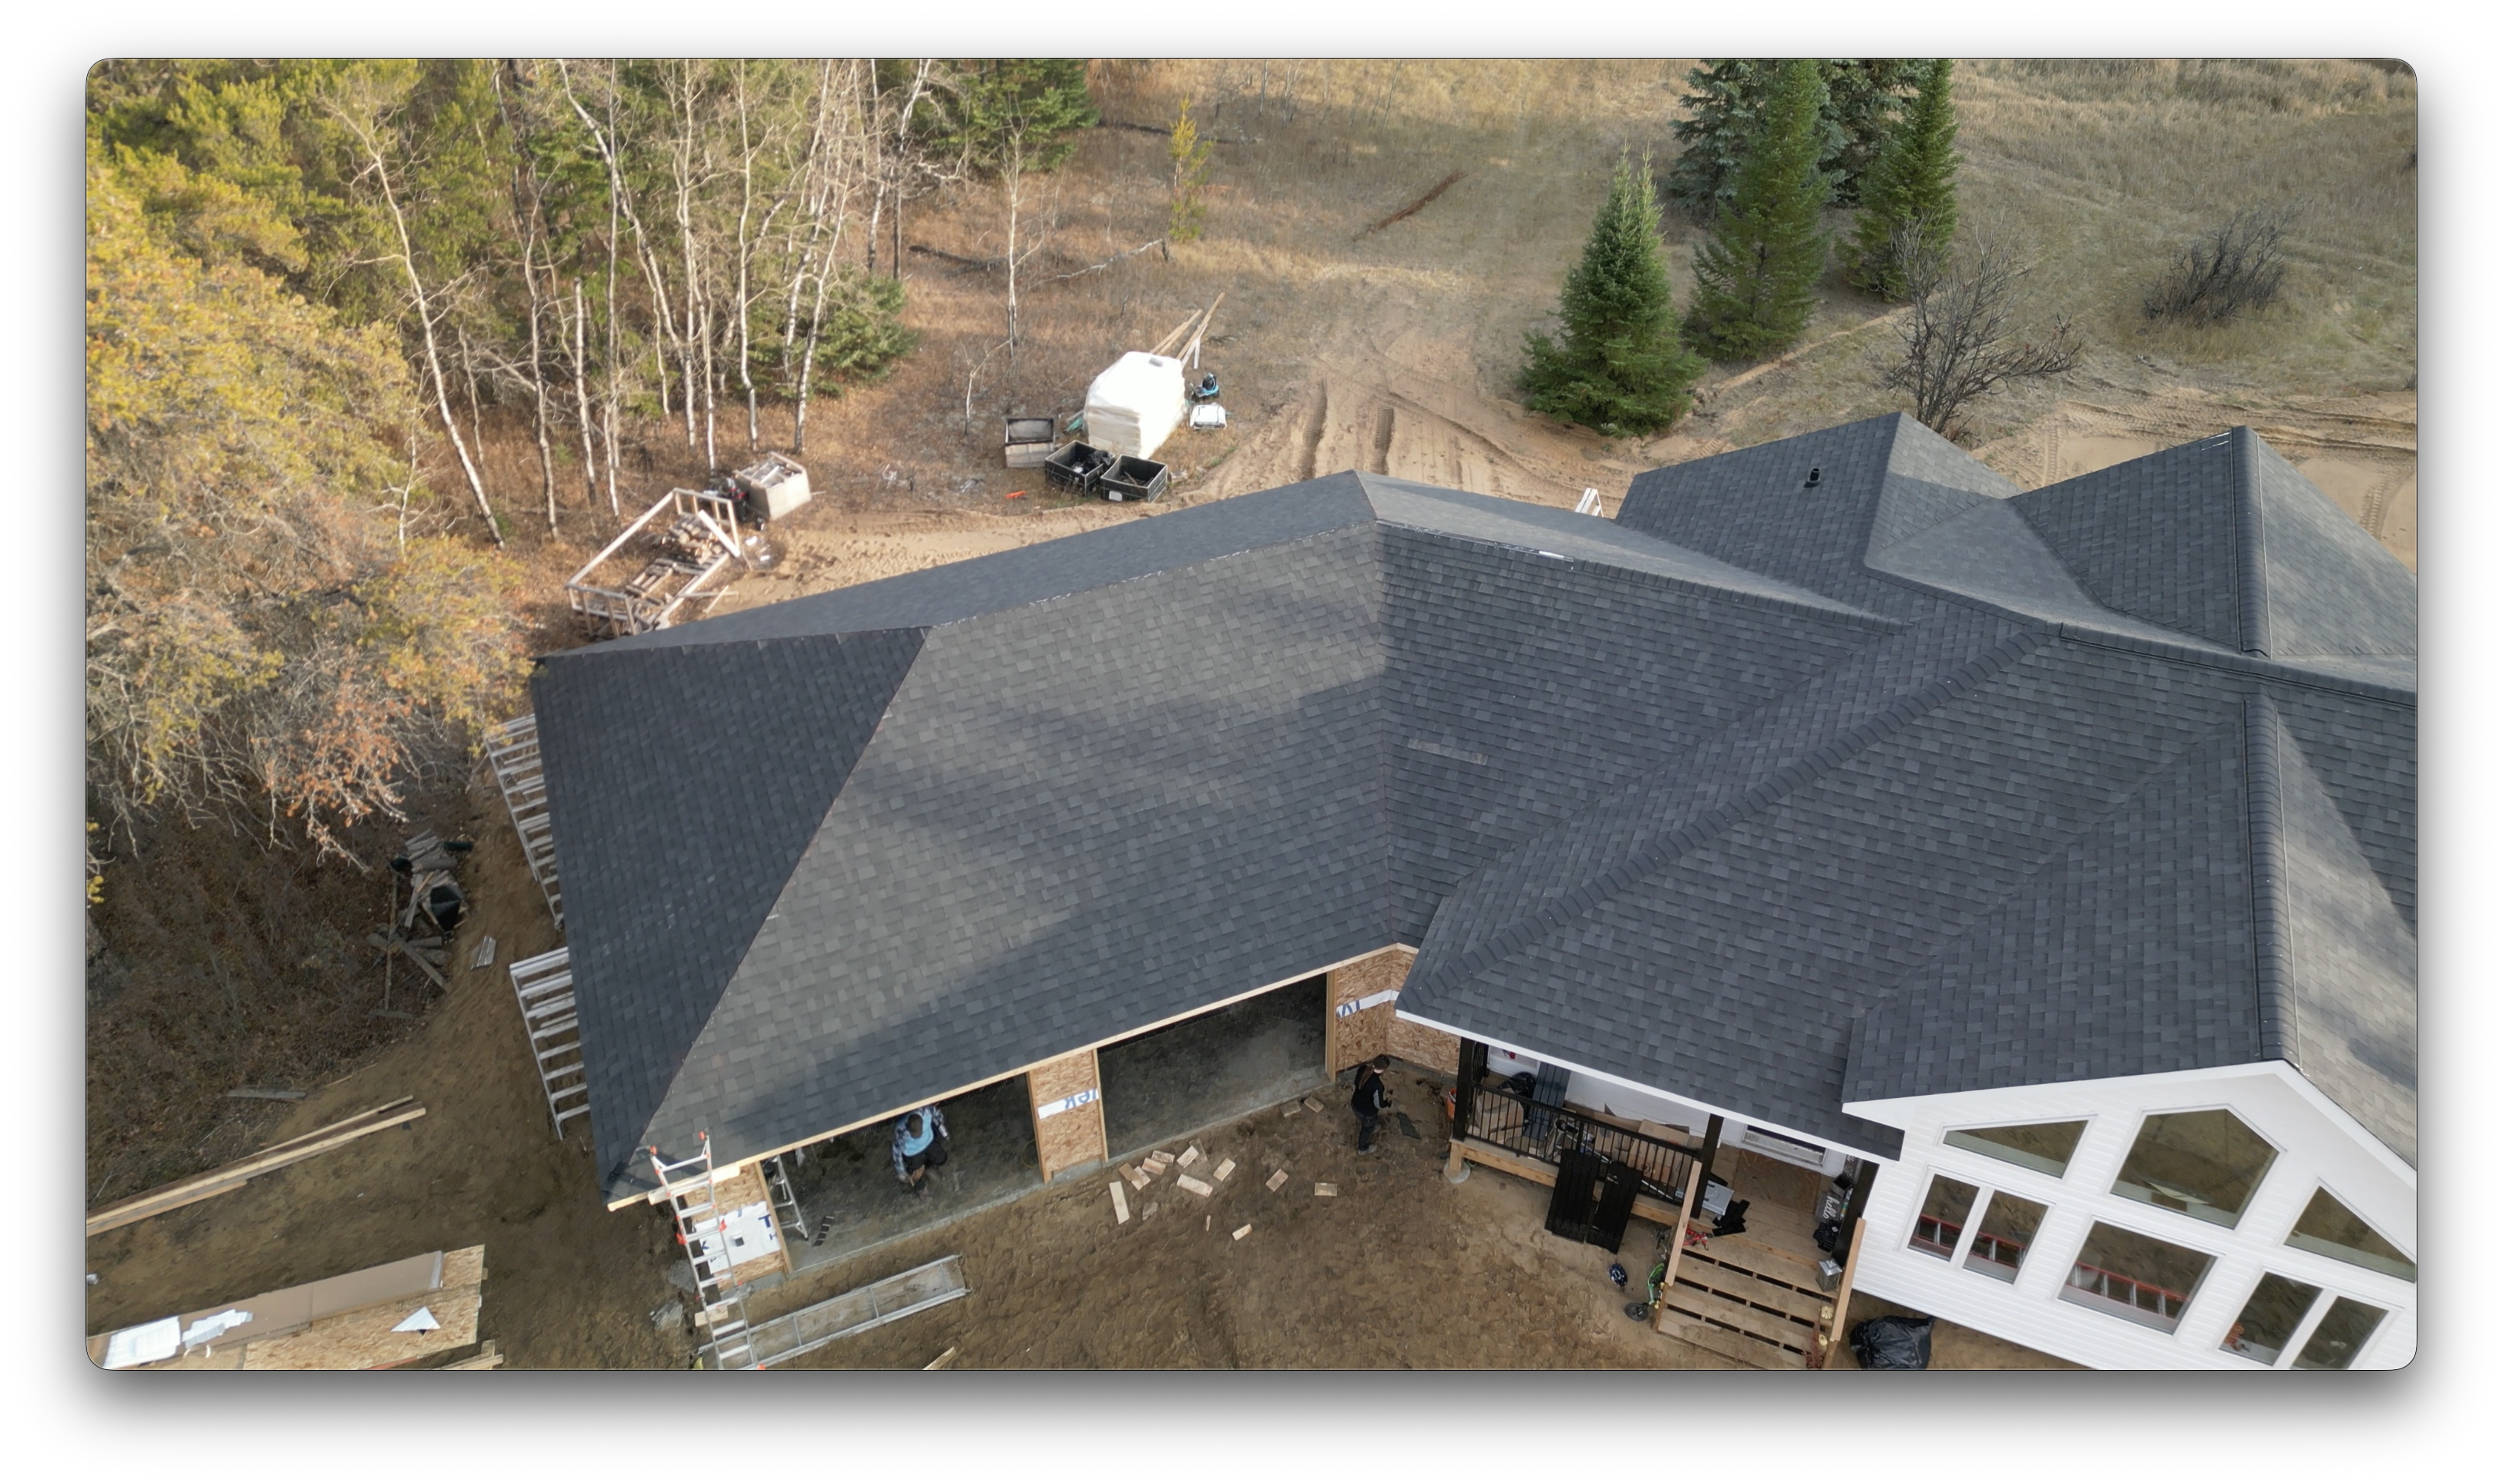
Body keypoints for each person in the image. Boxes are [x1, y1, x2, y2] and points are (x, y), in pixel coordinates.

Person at [891, 1106, 951, 1196]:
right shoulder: (900, 1130)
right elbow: (896, 1152)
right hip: (912, 1153)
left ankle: (928, 1167)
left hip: (928, 1141)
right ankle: (921, 1188)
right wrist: (901, 1171)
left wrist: (944, 1133)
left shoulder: (927, 1111)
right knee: (916, 1175)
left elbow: (938, 1117)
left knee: (942, 1158)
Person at [1351, 1054, 1392, 1153]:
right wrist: (1386, 1103)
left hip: (1355, 1103)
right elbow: (1378, 1104)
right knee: (1366, 1129)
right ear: (1383, 1070)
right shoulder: (1378, 1085)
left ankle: (1372, 1127)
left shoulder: (1363, 1069)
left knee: (1364, 1120)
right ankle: (1363, 1149)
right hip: (1367, 1113)